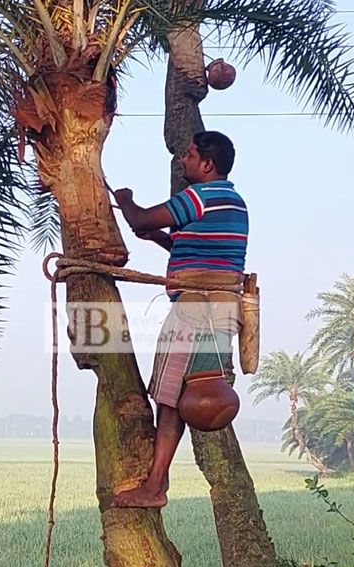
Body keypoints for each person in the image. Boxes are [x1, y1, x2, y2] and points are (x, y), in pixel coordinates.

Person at [109, 130, 248, 508]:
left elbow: (139, 219)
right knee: (177, 397)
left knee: (172, 399)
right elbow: (202, 252)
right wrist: (160, 240)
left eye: (189, 155)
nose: (182, 160)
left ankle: (155, 487)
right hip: (218, 310)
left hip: (194, 311)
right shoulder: (233, 203)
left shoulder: (200, 197)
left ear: (208, 164)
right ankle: (157, 482)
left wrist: (126, 201)